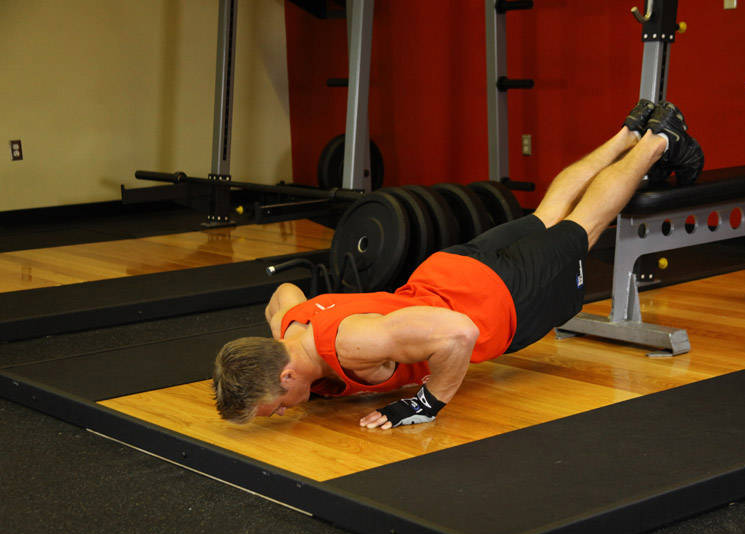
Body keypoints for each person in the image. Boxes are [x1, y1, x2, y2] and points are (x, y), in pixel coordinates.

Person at [212, 100, 704, 429]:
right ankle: (629, 131)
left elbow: (458, 335)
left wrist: (427, 403)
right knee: (547, 215)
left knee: (584, 225)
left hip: (497, 298)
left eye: (273, 409)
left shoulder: (353, 345)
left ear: (286, 377)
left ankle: (658, 141)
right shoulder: (288, 324)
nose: (278, 414)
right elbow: (284, 295)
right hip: (449, 271)